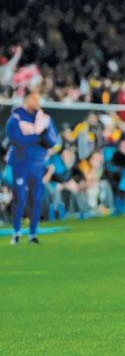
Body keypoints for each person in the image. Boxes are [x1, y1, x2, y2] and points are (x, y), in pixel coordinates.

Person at [5, 88, 59, 244]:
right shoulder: (16, 117)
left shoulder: (44, 118)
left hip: (38, 164)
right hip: (21, 163)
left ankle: (32, 235)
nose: (37, 102)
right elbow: (15, 139)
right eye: (34, 99)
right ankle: (16, 233)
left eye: (38, 99)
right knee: (19, 198)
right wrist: (37, 137)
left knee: (35, 199)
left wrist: (45, 137)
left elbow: (52, 141)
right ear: (26, 99)